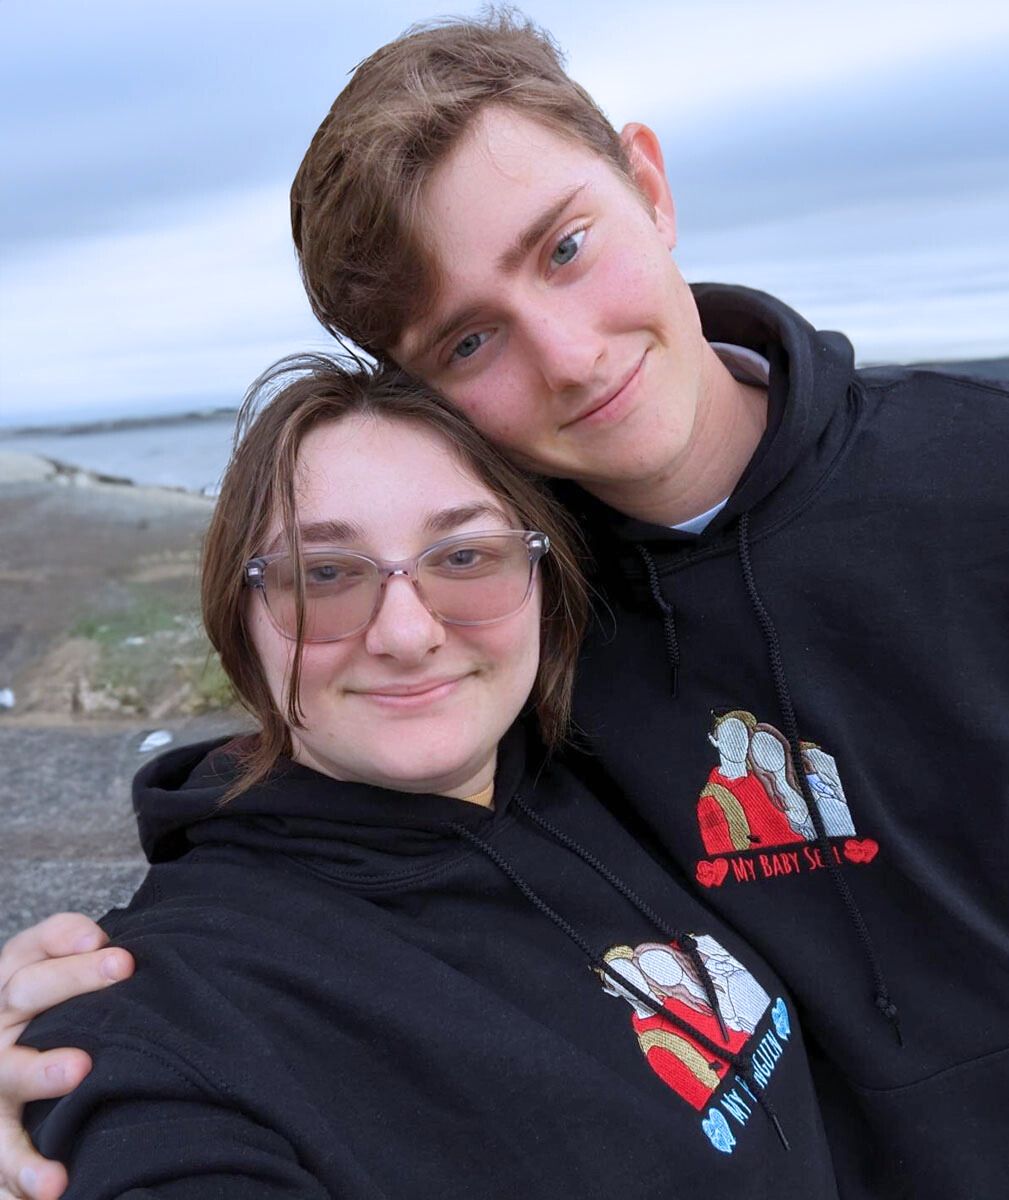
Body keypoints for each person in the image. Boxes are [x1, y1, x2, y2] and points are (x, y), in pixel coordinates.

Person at [3, 12, 1009, 1199]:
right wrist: (92, 1026)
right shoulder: (508, 603)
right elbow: (334, 806)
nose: (569, 355)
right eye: (472, 339)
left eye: (565, 248)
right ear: (426, 396)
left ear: (650, 184)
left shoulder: (1006, 475)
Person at [9, 355, 833, 1197]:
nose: (406, 633)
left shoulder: (613, 779)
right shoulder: (175, 1010)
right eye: (324, 574)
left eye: (466, 556)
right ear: (242, 619)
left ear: (542, 581)